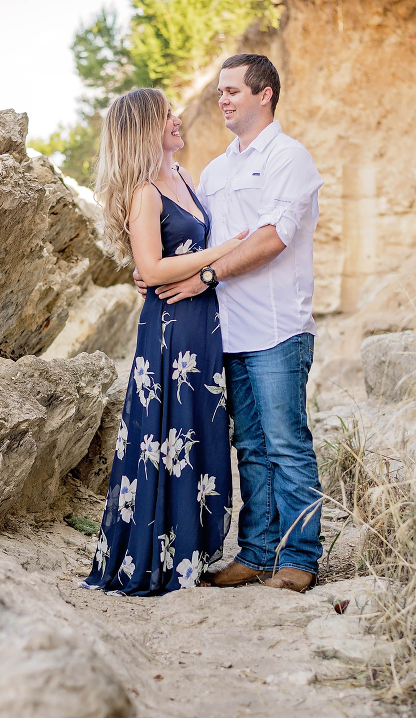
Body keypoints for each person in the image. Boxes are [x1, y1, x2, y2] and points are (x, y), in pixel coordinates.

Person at [141, 54, 324, 592]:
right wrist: (153, 270)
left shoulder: (291, 158)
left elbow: (271, 239)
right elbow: (198, 241)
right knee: (251, 447)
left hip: (277, 327)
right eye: (219, 91)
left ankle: (300, 558)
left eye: (233, 91)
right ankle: (257, 553)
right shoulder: (216, 171)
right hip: (228, 332)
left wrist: (207, 278)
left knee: (286, 444)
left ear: (264, 94)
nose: (222, 99)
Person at [81, 88, 244, 595]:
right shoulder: (145, 191)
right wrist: (223, 252)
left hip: (203, 322)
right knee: (166, 434)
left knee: (198, 429)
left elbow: (161, 262)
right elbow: (150, 268)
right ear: (143, 129)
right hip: (172, 328)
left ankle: (189, 552)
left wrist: (211, 261)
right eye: (165, 115)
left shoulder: (185, 180)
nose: (178, 119)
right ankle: (157, 558)